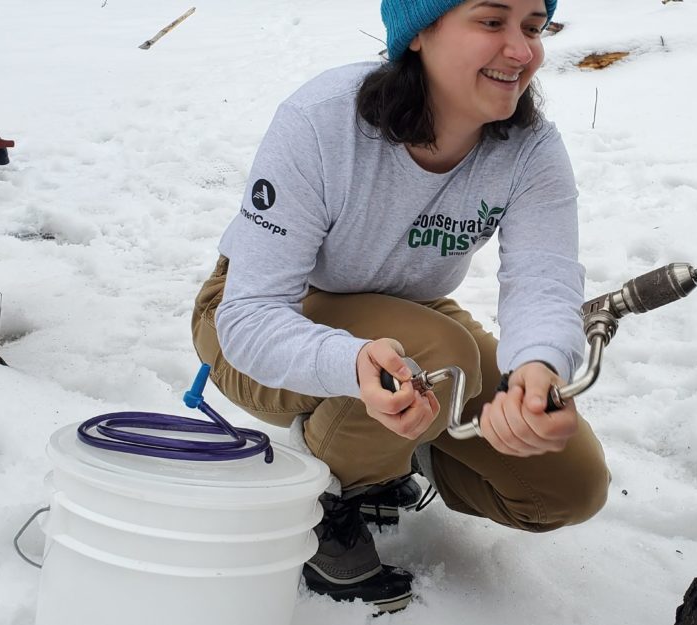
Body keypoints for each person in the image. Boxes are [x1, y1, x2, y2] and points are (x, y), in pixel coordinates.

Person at [192, 0, 610, 613]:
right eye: (492, 23)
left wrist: (537, 370)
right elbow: (250, 315)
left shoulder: (530, 148)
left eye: (532, 26)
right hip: (253, 317)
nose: (521, 52)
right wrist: (350, 362)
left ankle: (404, 442)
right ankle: (326, 502)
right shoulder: (322, 120)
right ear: (420, 33)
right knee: (435, 352)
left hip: (409, 312)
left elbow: (543, 279)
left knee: (567, 487)